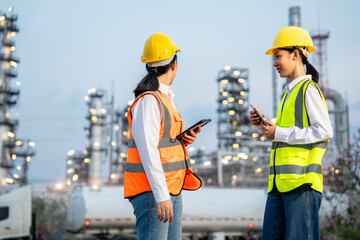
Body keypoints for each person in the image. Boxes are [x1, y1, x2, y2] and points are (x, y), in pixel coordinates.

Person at [250, 26, 333, 240]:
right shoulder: (288, 94)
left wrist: (280, 133)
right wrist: (266, 125)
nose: (275, 62)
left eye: (278, 56)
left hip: (301, 185)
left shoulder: (308, 89)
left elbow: (324, 131)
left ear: (295, 55)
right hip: (279, 185)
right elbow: (288, 128)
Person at [124, 32, 202, 240]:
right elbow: (148, 151)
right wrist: (161, 196)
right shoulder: (149, 101)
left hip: (171, 189)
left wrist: (182, 140)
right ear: (174, 65)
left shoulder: (164, 99)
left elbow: (161, 142)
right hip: (154, 192)